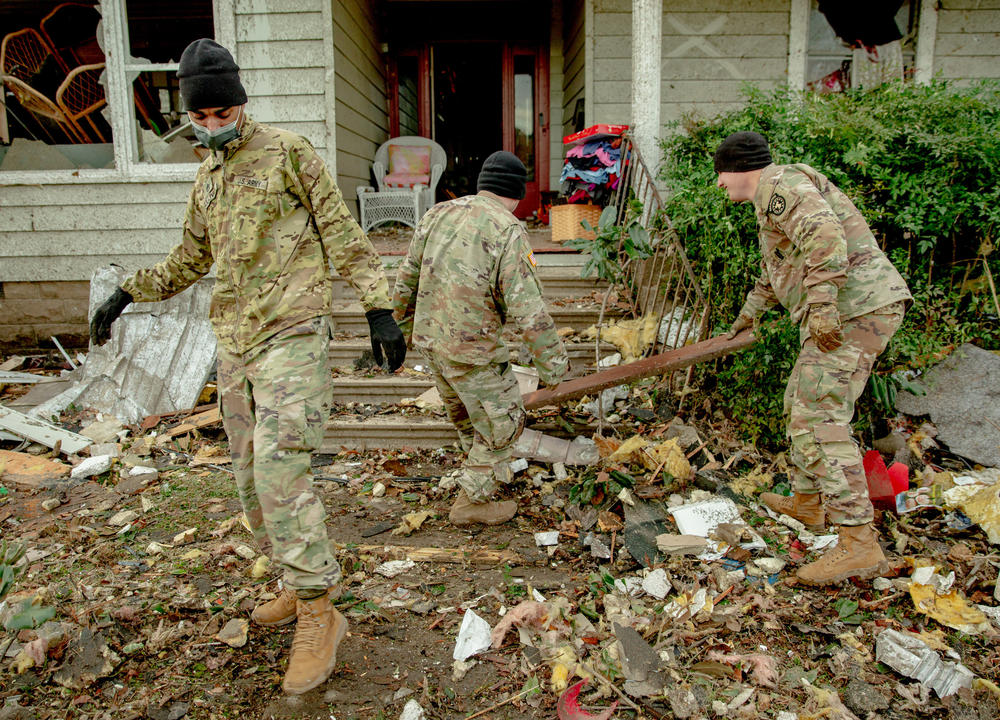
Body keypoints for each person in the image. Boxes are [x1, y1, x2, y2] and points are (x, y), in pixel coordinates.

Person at [89, 39, 406, 695]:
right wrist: (128, 292)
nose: (211, 125)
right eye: (199, 117)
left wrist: (379, 307)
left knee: (280, 464)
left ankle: (321, 610)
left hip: (293, 330)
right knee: (247, 481)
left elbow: (341, 232)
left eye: (221, 112)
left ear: (240, 102)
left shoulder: (289, 153)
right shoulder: (205, 178)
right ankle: (296, 579)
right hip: (234, 341)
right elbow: (188, 260)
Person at [715, 131, 911, 586]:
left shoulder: (782, 186)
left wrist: (822, 305)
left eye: (720, 175)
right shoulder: (769, 204)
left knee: (819, 419)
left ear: (739, 168)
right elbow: (777, 271)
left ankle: (859, 544)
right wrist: (748, 316)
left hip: (852, 310)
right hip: (850, 309)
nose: (720, 185)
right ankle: (808, 503)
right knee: (799, 403)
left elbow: (825, 236)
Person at [392, 151, 568, 527]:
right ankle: (471, 503)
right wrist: (553, 367)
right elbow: (528, 309)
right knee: (504, 422)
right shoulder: (508, 229)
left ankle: (479, 478)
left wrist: (399, 331)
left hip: (433, 343)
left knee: (469, 419)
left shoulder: (438, 213)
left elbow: (407, 277)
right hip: (473, 351)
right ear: (517, 193)